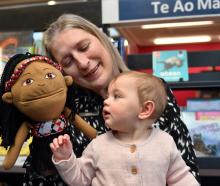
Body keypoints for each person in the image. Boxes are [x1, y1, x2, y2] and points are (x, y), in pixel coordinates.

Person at [23, 13, 199, 185]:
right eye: (68, 62)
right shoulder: (61, 109)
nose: (83, 63)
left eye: (84, 47)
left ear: (103, 40)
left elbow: (185, 169)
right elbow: (40, 178)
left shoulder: (152, 90)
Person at [50, 71, 200, 186]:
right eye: (107, 96)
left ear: (145, 109)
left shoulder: (165, 143)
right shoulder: (98, 145)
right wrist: (65, 158)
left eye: (116, 96)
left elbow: (182, 179)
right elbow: (80, 179)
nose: (106, 101)